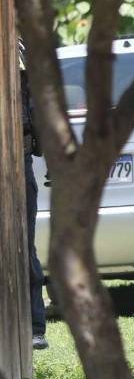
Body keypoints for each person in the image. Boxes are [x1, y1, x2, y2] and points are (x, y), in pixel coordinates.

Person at [19, 40, 48, 349]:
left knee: (23, 243)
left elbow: (38, 104)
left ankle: (34, 326)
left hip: (17, 157)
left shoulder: (18, 50)